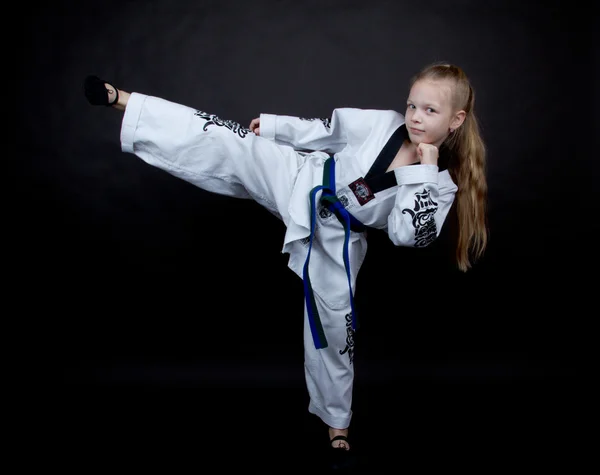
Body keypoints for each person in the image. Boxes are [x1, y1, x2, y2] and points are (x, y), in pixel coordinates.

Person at [83, 61, 488, 467]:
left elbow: (406, 234)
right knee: (233, 140)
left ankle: (337, 423)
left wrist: (426, 169)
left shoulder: (440, 185)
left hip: (338, 239)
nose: (415, 117)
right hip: (304, 179)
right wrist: (278, 128)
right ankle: (126, 102)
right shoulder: (385, 124)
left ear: (457, 119)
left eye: (430, 111)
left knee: (334, 328)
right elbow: (330, 131)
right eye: (412, 105)